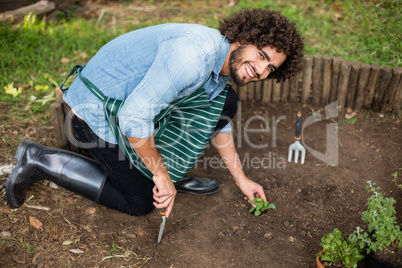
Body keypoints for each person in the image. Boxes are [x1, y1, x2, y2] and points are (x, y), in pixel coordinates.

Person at [5, 8, 303, 218]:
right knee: (140, 202)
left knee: (226, 102)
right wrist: (160, 176)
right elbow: (133, 119)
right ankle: (40, 159)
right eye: (261, 56)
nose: (261, 71)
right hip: (95, 115)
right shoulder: (194, 57)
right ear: (244, 36)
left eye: (270, 68)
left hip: (132, 105)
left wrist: (241, 179)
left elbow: (215, 118)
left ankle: (169, 170)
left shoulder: (221, 60)